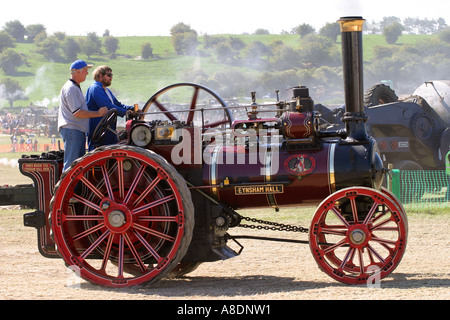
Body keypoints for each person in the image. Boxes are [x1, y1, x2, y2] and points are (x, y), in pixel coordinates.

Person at [58, 60, 108, 172]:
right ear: (77, 72)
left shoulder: (74, 88)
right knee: (71, 166)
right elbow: (77, 112)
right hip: (72, 129)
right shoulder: (70, 88)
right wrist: (98, 114)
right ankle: (66, 188)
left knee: (77, 166)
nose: (87, 73)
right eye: (85, 70)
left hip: (76, 130)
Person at [86, 66, 134, 151]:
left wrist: (132, 109)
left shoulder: (106, 90)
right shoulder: (95, 88)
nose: (111, 77)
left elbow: (118, 104)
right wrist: (126, 112)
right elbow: (108, 106)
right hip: (99, 131)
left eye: (111, 75)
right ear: (100, 75)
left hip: (108, 129)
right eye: (109, 75)